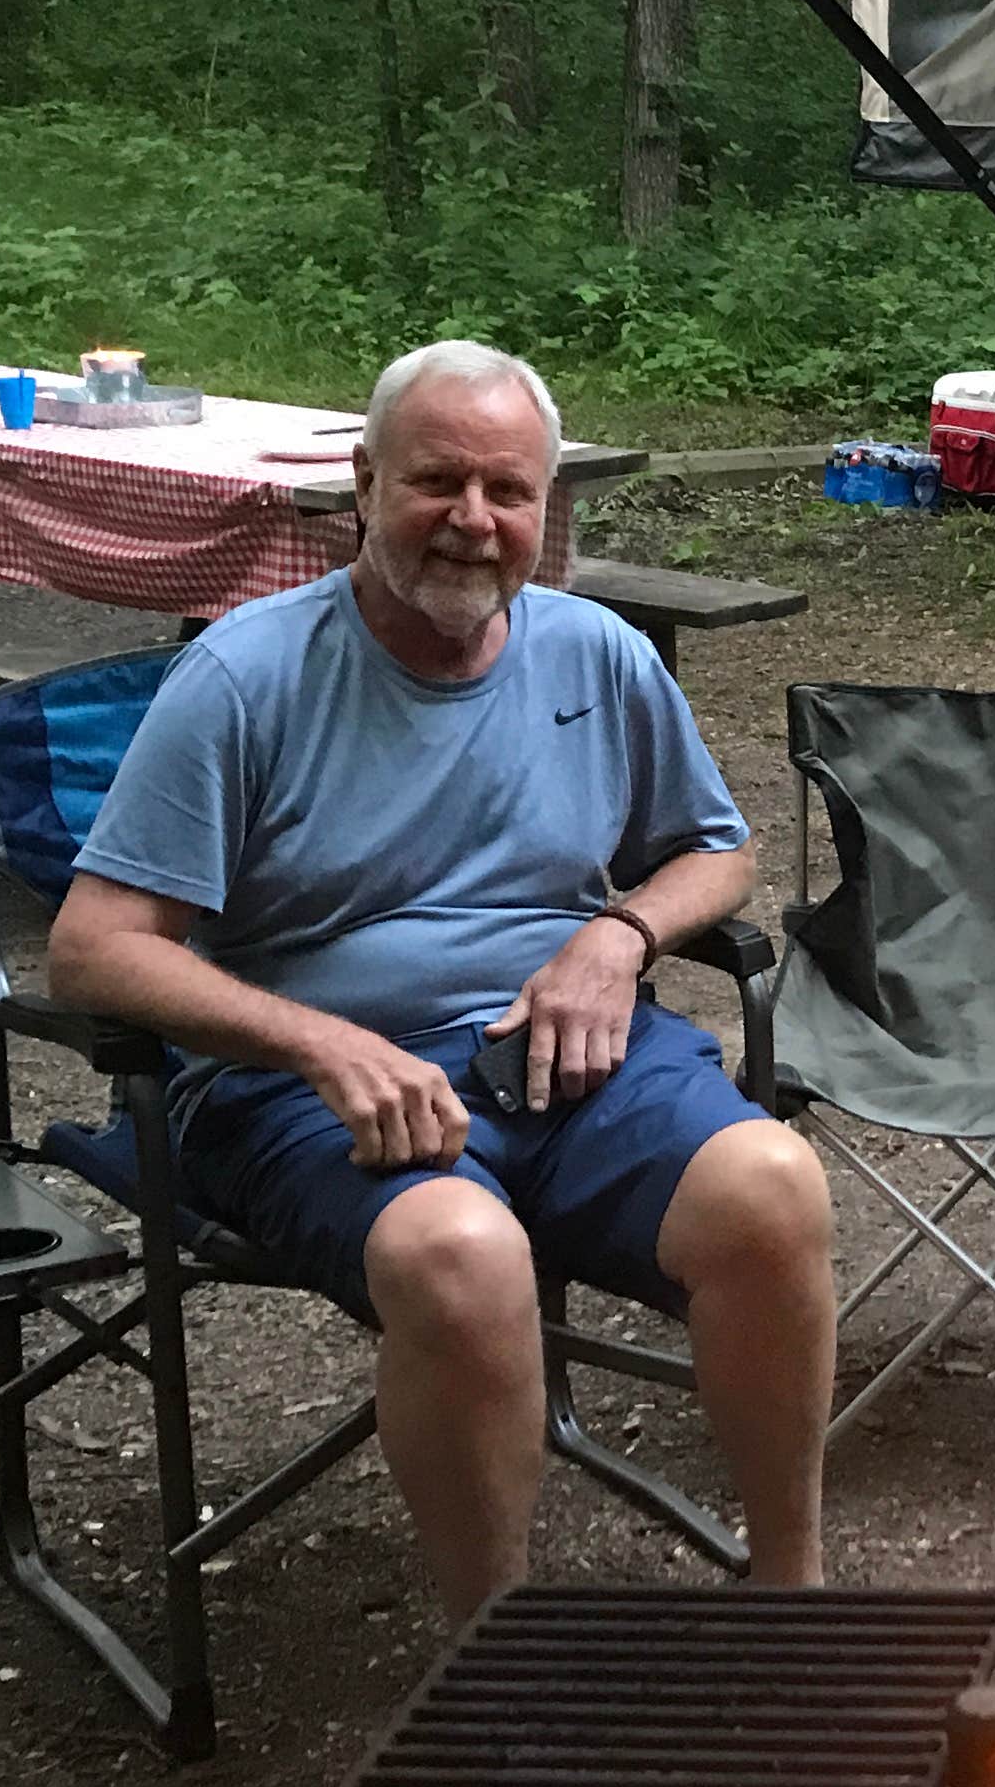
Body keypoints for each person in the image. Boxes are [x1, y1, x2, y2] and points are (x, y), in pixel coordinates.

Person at [46, 340, 836, 1616]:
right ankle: (496, 1659)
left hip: (567, 1056)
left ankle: (795, 1600)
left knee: (773, 1186)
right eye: (438, 483)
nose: (475, 522)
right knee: (465, 1255)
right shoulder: (245, 677)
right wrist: (318, 1042)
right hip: (316, 1089)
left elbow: (719, 852)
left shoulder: (599, 655)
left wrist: (619, 939)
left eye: (509, 492)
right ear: (361, 485)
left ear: (546, 511)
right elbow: (92, 946)